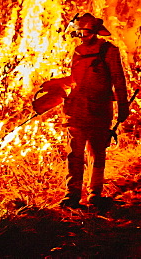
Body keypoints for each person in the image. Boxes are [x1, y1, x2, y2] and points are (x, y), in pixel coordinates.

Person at [41, 12, 130, 209]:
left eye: (86, 32)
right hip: (77, 109)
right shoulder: (78, 51)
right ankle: (72, 195)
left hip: (99, 110)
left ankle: (94, 193)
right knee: (75, 153)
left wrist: (123, 105)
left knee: (97, 152)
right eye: (79, 32)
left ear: (96, 32)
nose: (82, 36)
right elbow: (75, 80)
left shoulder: (109, 51)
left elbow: (118, 80)